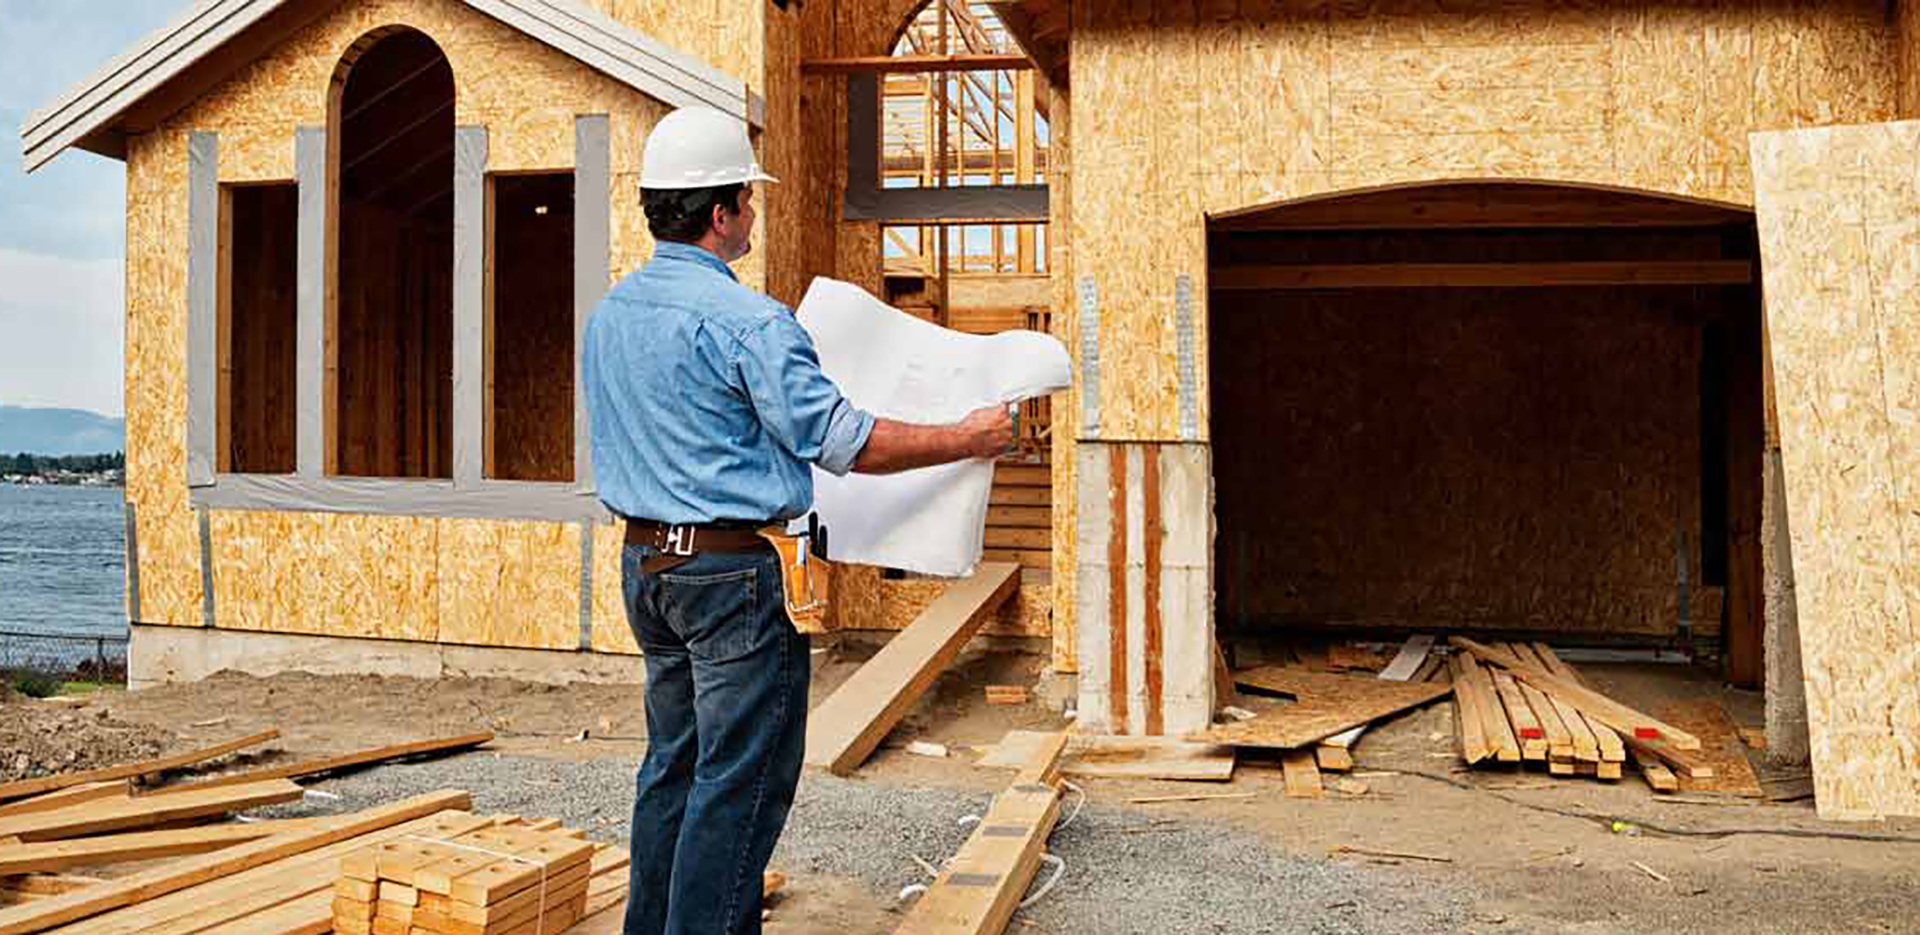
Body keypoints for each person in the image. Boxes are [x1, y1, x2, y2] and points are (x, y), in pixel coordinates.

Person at [581, 105, 1015, 935]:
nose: (751, 212)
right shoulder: (749, 321)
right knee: (740, 778)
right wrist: (967, 436)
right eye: (747, 198)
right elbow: (843, 440)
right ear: (719, 214)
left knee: (674, 762)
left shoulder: (611, 317)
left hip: (648, 569)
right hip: (733, 578)